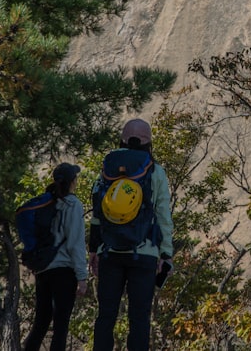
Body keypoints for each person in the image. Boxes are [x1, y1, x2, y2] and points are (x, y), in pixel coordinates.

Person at [90, 118, 175, 351]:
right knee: (139, 319)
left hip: (109, 251)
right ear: (149, 142)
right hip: (144, 253)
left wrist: (93, 250)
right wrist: (166, 253)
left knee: (106, 316)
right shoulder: (155, 170)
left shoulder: (107, 168)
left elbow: (98, 212)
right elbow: (163, 214)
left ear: (123, 139)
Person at [23, 162, 89, 351]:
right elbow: (75, 242)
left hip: (43, 270)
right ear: (72, 182)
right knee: (61, 325)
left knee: (41, 323)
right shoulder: (72, 204)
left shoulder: (47, 202)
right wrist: (81, 276)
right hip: (63, 271)